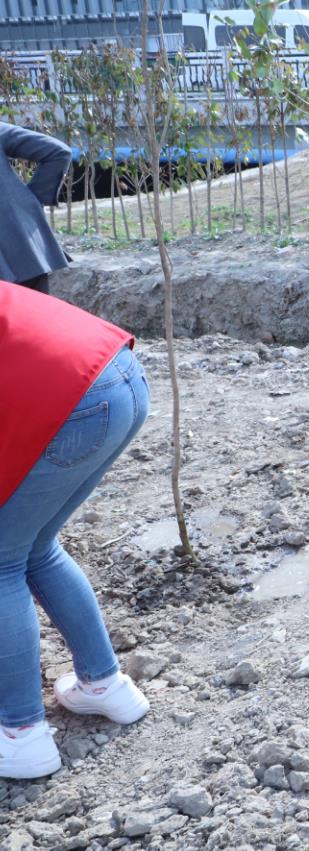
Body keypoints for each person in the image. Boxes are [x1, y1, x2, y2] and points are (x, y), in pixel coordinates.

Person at [0, 283, 151, 780]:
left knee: (1, 561)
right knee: (35, 548)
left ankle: (21, 736)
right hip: (119, 372)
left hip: (73, 401)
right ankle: (105, 686)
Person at [0, 121, 73, 294]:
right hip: (23, 252)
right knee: (33, 311)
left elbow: (57, 152)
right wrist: (28, 203)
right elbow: (58, 152)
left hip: (19, 257)